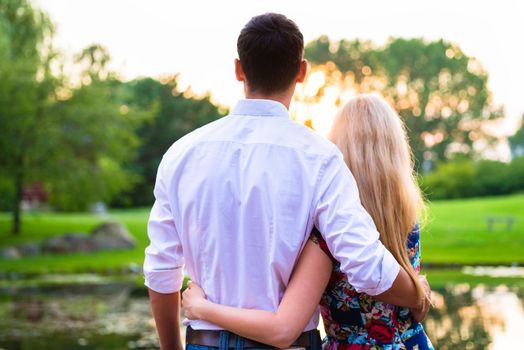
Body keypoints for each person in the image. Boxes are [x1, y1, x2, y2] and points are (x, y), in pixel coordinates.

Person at [144, 13, 429, 350]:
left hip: (204, 341)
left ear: (239, 70)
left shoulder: (181, 155)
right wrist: (417, 291)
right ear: (302, 72)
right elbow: (366, 264)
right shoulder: (319, 158)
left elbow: (162, 270)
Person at [182, 94, 434, 350]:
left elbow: (282, 329)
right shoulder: (407, 220)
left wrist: (203, 308)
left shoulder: (328, 234)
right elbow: (414, 309)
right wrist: (419, 292)